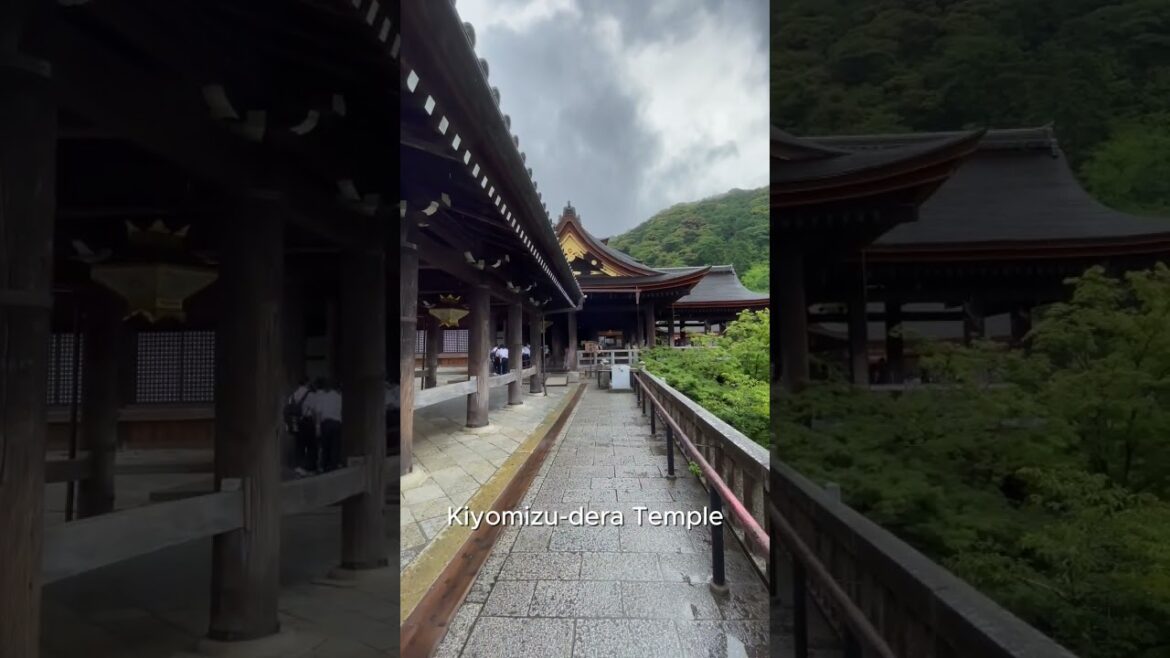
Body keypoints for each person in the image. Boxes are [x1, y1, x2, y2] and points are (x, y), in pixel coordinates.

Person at [305, 378, 343, 472]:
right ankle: (334, 466)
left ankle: (325, 467)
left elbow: (318, 412)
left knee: (325, 446)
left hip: (325, 424)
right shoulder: (339, 397)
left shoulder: (323, 397)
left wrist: (317, 427)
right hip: (336, 423)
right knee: (335, 446)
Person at [285, 377, 315, 477]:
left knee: (299, 444)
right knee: (311, 445)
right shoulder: (310, 394)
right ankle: (308, 467)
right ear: (307, 383)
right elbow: (314, 409)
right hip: (308, 421)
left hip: (297, 422)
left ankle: (298, 466)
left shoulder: (293, 394)